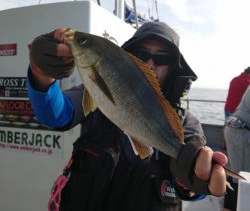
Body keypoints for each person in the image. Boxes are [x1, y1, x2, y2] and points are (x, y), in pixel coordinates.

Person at [27, 22, 228, 211]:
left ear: (173, 67)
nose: (150, 64)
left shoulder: (185, 122)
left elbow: (193, 179)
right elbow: (55, 115)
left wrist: (194, 182)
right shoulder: (95, 92)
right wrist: (41, 75)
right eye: (141, 54)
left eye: (162, 58)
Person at [223, 85, 250, 211]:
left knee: (235, 176)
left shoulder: (239, 81)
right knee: (241, 180)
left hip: (236, 128)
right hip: (243, 134)